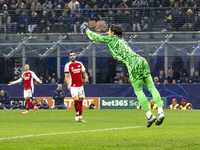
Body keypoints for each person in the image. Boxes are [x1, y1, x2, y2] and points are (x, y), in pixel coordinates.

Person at [81, 23, 164, 127]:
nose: (107, 33)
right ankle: (160, 112)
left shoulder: (111, 39)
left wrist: (86, 30)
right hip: (141, 60)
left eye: (109, 31)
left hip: (132, 63)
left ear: (112, 33)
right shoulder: (122, 40)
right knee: (151, 87)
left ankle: (149, 115)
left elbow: (95, 37)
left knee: (138, 90)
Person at [64, 51, 89, 122]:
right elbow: (66, 77)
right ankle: (77, 113)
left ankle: (80, 117)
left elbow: (84, 73)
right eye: (71, 55)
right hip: (73, 86)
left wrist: (86, 78)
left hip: (80, 85)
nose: (72, 56)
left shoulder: (80, 64)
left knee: (81, 101)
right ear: (69, 57)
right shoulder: (67, 65)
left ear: (75, 56)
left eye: (73, 55)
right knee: (76, 100)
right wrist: (68, 85)